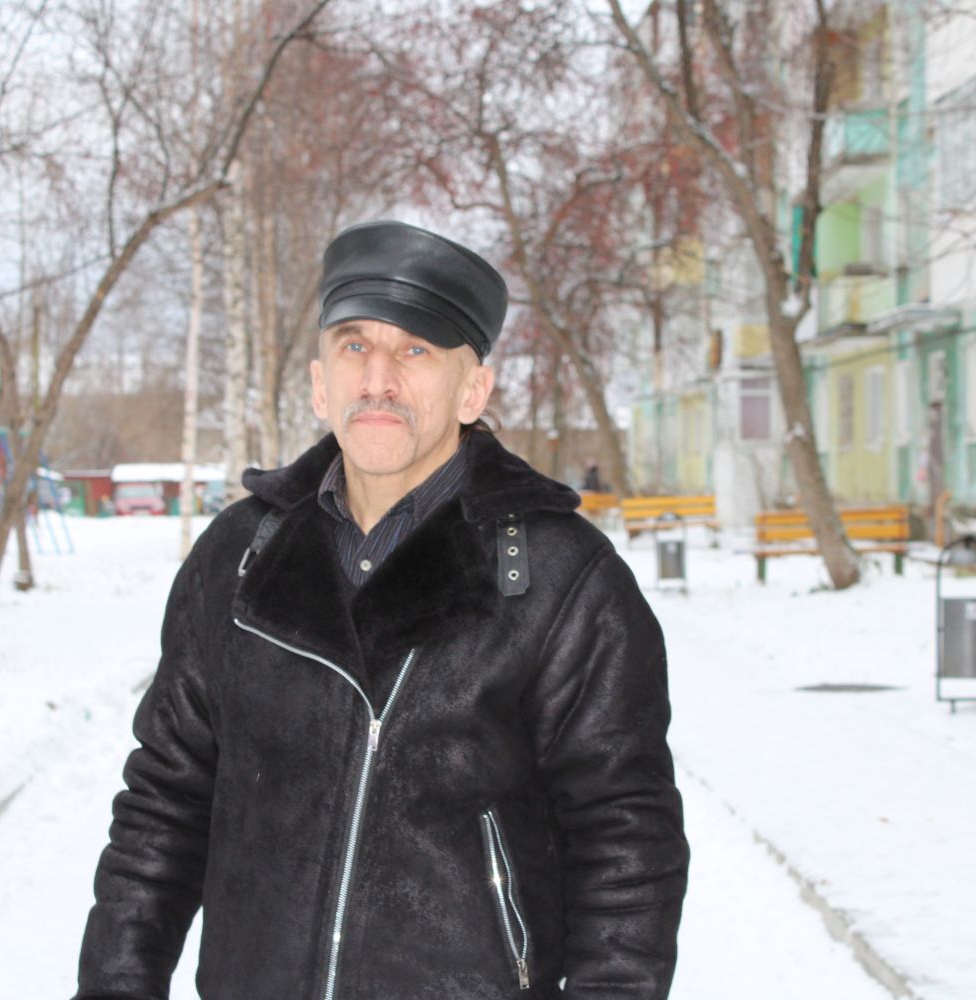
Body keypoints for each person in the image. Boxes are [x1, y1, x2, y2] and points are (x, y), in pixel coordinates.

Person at [75, 220, 688, 999]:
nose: (378, 380)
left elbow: (626, 845)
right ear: (319, 382)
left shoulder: (560, 580)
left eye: (416, 350)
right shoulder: (238, 557)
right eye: (355, 345)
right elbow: (164, 803)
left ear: (473, 391)